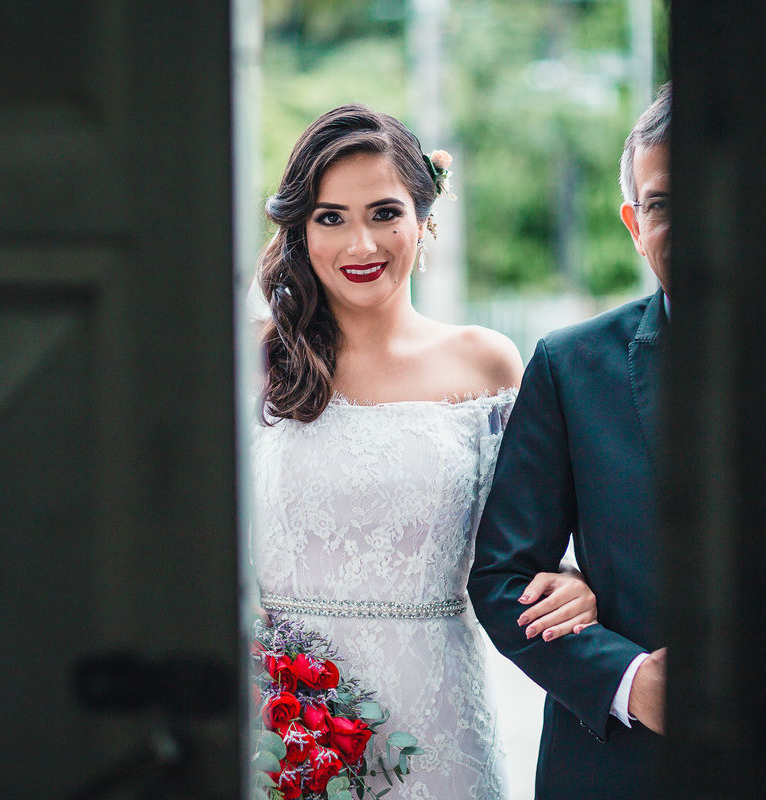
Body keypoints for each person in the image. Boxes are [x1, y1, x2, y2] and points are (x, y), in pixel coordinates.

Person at [251, 104, 600, 799]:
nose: (361, 244)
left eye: (384, 213)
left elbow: (526, 540)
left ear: (424, 218)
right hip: (278, 720)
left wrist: (576, 583)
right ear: (299, 228)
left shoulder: (486, 362)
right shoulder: (254, 357)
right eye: (331, 217)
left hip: (440, 716)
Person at [468, 82, 673, 798]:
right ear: (633, 223)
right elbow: (500, 576)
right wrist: (629, 679)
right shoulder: (569, 365)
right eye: (664, 203)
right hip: (619, 768)